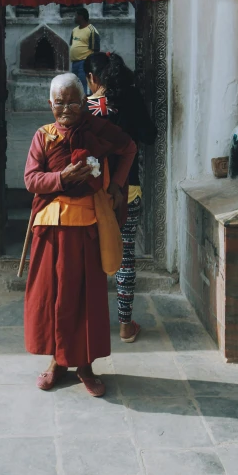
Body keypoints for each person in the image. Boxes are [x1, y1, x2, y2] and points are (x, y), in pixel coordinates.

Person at [24, 73, 136, 397]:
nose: (67, 108)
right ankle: (56, 362)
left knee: (86, 299)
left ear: (83, 101)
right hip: (50, 230)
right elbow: (31, 179)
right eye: (59, 102)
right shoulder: (42, 137)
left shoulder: (97, 131)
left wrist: (116, 187)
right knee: (52, 298)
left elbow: (128, 148)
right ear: (50, 105)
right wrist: (61, 177)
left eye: (73, 101)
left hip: (87, 226)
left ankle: (85, 365)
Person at [84, 52, 157, 344]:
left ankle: (92, 323)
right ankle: (126, 326)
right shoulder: (130, 101)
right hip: (129, 190)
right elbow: (149, 135)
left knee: (91, 257)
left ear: (92, 78)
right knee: (126, 257)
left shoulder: (83, 109)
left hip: (93, 196)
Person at [69, 8, 100, 93]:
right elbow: (73, 44)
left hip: (84, 62)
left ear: (81, 17)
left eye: (76, 16)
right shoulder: (74, 30)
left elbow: (96, 50)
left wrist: (91, 66)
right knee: (76, 86)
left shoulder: (91, 30)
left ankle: (86, 105)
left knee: (84, 86)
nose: (74, 18)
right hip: (74, 63)